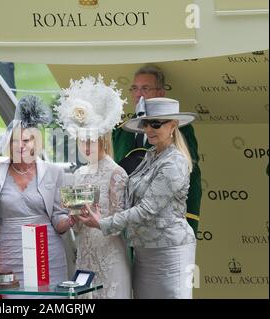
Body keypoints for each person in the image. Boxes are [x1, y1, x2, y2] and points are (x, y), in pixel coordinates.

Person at [79, 97, 197, 299]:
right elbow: (129, 197)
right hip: (144, 251)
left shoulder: (175, 162)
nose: (149, 129)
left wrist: (103, 223)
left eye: (156, 123)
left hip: (169, 253)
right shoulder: (152, 155)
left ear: (173, 125)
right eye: (146, 123)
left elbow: (147, 209)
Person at [0, 95, 74, 299]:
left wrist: (71, 219)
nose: (21, 146)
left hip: (48, 254)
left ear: (35, 142)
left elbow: (58, 218)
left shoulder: (54, 172)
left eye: (26, 140)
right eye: (15, 141)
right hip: (11, 253)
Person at [54, 75, 132, 299]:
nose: (86, 147)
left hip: (109, 254)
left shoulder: (116, 173)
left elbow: (119, 224)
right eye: (82, 141)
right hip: (85, 255)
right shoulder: (78, 174)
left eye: (91, 140)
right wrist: (74, 218)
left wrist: (98, 221)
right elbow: (78, 227)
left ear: (103, 139)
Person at [112, 65, 202, 233]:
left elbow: (193, 174)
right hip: (128, 224)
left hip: (165, 226)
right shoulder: (120, 130)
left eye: (145, 88)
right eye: (135, 88)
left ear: (161, 93)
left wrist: (190, 218)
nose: (139, 93)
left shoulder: (181, 129)